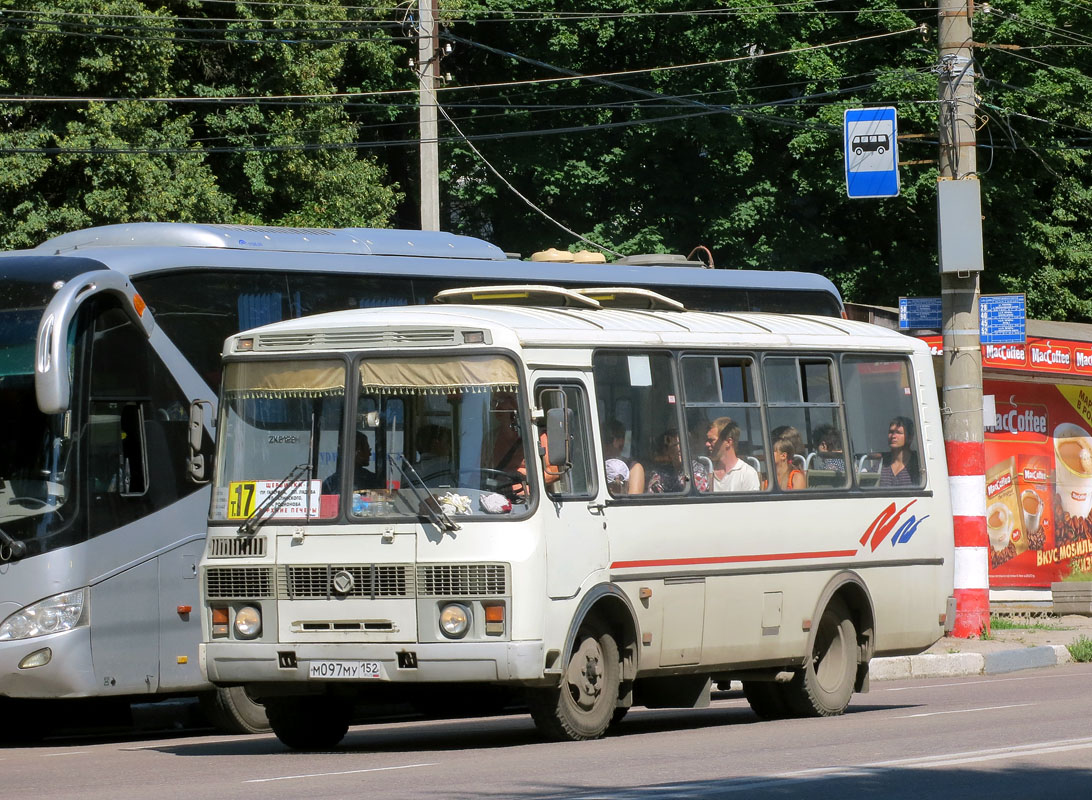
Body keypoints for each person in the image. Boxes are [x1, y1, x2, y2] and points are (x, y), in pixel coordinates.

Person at [707, 416, 760, 492]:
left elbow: (751, 503)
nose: (707, 444)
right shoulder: (706, 471)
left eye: (711, 440)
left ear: (728, 442)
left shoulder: (747, 474)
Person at [603, 418, 644, 495]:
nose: (604, 444)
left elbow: (633, 502)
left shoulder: (633, 468)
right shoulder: (594, 467)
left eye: (608, 440)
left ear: (621, 441)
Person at [878, 415, 920, 487]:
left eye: (898, 432)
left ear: (910, 437)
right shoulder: (881, 465)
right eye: (891, 432)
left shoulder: (918, 464)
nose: (893, 436)